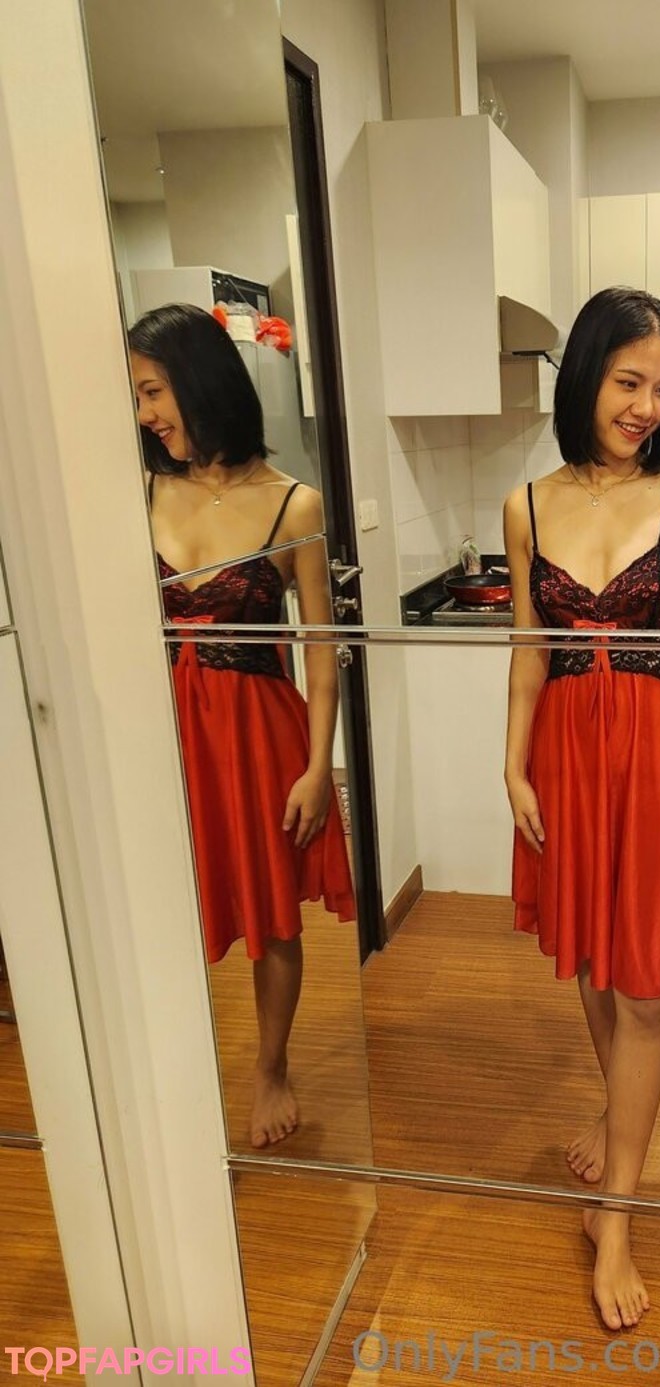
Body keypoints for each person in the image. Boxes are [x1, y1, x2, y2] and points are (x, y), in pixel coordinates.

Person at [503, 287, 660, 1332]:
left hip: (654, 756)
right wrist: (512, 765)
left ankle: (616, 1218)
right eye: (627, 381)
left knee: (646, 986)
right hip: (567, 752)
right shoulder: (526, 504)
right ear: (585, 378)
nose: (647, 407)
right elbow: (530, 647)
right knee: (593, 955)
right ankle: (619, 1121)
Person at [129, 303, 355, 1150]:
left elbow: (322, 651)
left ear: (199, 380)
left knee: (272, 912)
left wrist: (318, 767)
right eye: (138, 396)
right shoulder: (138, 490)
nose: (145, 413)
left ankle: (269, 1066)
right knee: (166, 905)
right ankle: (177, 1070)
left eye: (153, 390)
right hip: (166, 734)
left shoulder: (294, 504)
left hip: (261, 733)